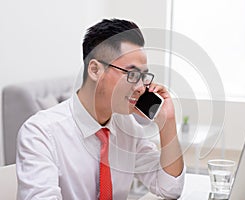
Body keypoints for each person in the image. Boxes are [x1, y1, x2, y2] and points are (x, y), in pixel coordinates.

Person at [16, 18, 185, 200]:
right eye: (132, 74)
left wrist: (167, 123)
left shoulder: (127, 127)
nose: (140, 87)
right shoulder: (40, 133)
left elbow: (170, 189)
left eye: (143, 76)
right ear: (95, 70)